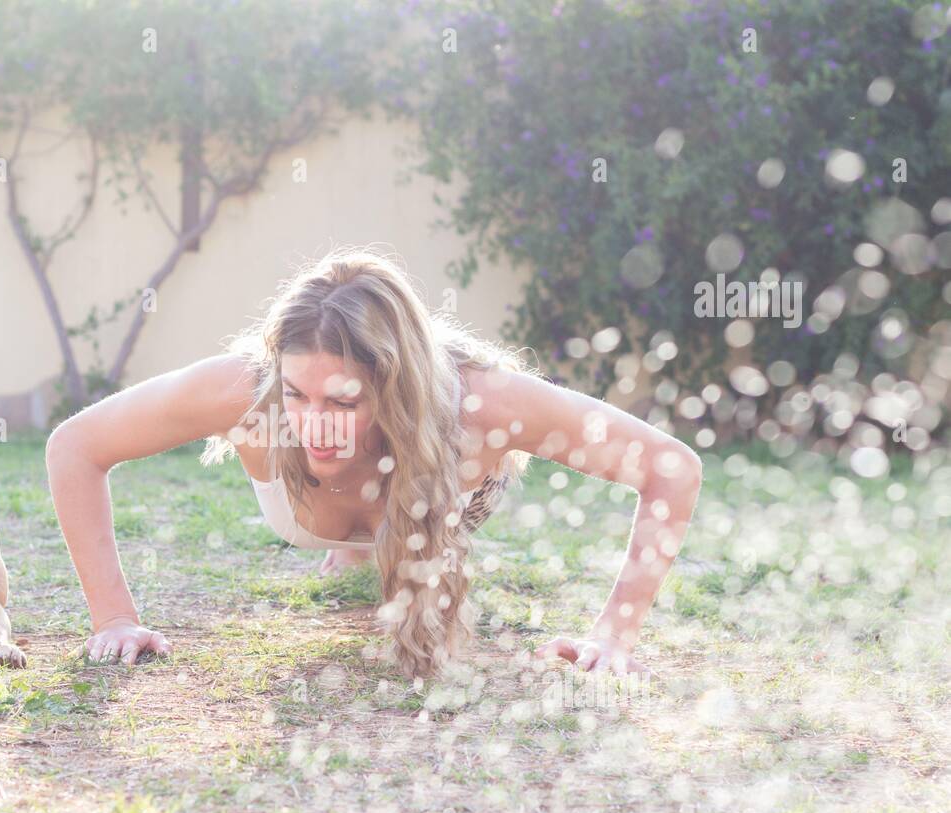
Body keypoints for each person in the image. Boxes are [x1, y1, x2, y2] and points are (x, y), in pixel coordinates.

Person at [45, 247, 702, 679]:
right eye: (297, 395)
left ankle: (371, 534)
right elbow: (75, 446)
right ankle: (357, 547)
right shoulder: (242, 390)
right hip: (330, 499)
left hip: (445, 481)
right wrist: (114, 618)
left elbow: (670, 468)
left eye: (344, 398)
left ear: (394, 385)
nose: (315, 422)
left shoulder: (483, 404)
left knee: (411, 500)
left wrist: (616, 633)